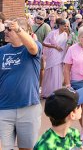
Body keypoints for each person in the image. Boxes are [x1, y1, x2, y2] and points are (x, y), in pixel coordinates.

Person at [0, 18, 42, 150]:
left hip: (28, 107)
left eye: (9, 29)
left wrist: (18, 29)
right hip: (5, 108)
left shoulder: (33, 47)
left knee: (27, 148)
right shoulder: (2, 51)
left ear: (21, 31)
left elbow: (32, 47)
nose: (5, 32)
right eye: (5, 28)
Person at [41, 18, 70, 98]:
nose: (66, 28)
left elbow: (65, 46)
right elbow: (44, 43)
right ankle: (47, 93)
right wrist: (55, 46)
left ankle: (56, 92)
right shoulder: (53, 33)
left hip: (61, 56)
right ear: (60, 25)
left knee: (58, 75)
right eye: (65, 26)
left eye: (67, 26)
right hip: (52, 55)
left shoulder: (65, 34)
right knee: (51, 74)